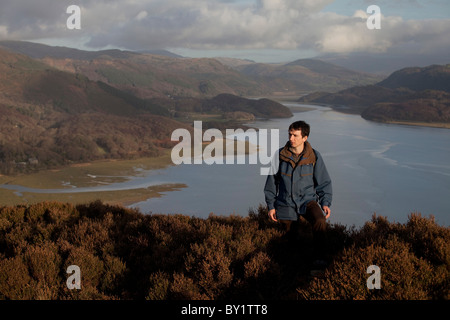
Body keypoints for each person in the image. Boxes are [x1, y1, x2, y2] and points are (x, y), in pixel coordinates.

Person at [264, 120, 332, 263]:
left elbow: (323, 181)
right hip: (286, 202)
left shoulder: (314, 156)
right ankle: (293, 265)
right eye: (290, 135)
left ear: (305, 138)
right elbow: (271, 183)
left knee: (320, 220)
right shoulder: (279, 156)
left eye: (295, 135)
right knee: (291, 238)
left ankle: (321, 259)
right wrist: (271, 206)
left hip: (307, 200)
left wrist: (325, 202)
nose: (291, 139)